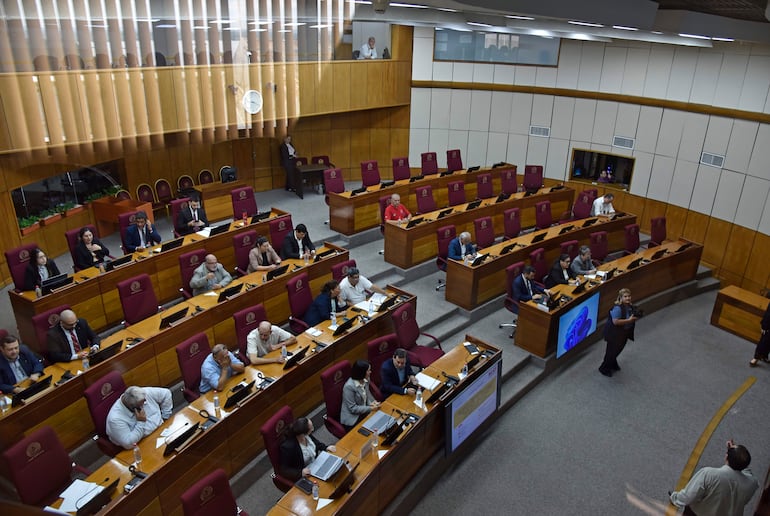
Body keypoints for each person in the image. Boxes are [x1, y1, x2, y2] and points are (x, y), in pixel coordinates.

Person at [669, 439, 758, 516]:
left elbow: (689, 496)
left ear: (726, 456)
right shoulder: (752, 483)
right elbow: (746, 470)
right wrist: (735, 453)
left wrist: (675, 497)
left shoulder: (709, 474)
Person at [105, 385, 173, 449]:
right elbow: (129, 444)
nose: (145, 402)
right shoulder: (115, 419)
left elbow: (166, 393)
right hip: (141, 443)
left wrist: (165, 417)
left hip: (162, 429)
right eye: (142, 403)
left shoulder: (141, 394)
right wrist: (141, 422)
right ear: (133, 408)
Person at [279, 417, 336, 481]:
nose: (313, 429)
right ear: (303, 433)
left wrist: (326, 447)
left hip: (316, 464)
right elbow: (284, 470)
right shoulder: (288, 447)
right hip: (307, 474)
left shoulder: (306, 435)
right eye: (311, 428)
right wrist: (301, 473)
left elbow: (316, 442)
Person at [598, 288, 638, 377]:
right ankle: (604, 368)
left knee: (616, 351)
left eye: (629, 296)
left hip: (623, 334)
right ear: (620, 297)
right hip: (614, 335)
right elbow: (615, 322)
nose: (628, 298)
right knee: (611, 352)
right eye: (625, 296)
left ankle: (612, 363)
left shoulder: (629, 306)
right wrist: (629, 320)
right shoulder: (617, 308)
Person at [340, 359, 380, 431]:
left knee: (379, 422)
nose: (370, 372)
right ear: (362, 372)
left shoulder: (366, 379)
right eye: (368, 370)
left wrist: (372, 403)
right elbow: (353, 408)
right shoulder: (349, 387)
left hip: (364, 411)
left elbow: (367, 394)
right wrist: (370, 408)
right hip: (353, 418)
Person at [750, 293, 770, 367]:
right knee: (764, 340)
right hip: (768, 324)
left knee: (768, 343)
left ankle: (764, 356)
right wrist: (764, 325)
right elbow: (768, 313)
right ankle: (756, 357)